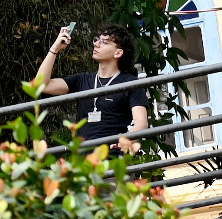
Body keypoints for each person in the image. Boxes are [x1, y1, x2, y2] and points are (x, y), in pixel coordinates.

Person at [34, 23, 149, 151]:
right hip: (83, 159)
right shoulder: (82, 80)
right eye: (97, 40)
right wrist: (54, 49)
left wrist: (124, 141)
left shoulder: (130, 83)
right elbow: (41, 85)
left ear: (118, 53)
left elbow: (142, 123)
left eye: (104, 42)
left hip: (112, 156)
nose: (96, 44)